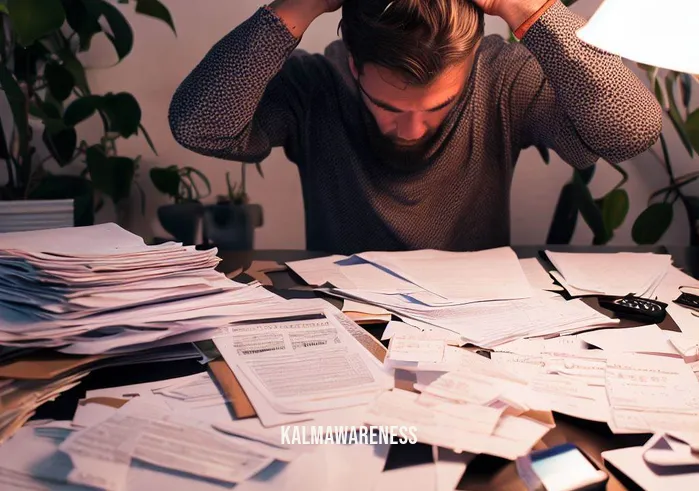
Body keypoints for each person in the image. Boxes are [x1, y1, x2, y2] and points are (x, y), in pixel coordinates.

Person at [169, 0, 662, 255]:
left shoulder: (505, 79)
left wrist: (528, 10)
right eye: (389, 106)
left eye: (438, 106)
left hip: (479, 334)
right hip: (339, 333)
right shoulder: (316, 85)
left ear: (470, 63)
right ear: (355, 64)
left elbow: (632, 130)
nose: (411, 130)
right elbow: (199, 126)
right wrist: (295, 7)